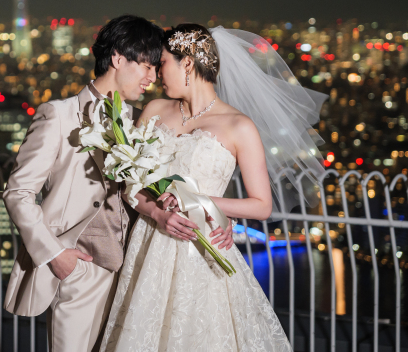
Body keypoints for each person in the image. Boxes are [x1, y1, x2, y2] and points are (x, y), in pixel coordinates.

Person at [101, 24, 326, 352]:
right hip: (148, 246)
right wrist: (155, 213)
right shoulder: (153, 111)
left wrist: (202, 201)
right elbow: (130, 183)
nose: (157, 73)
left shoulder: (239, 126)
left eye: (162, 63)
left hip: (201, 247)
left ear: (187, 64)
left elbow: (261, 205)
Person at [4, 15, 178, 352]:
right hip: (80, 270)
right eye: (146, 66)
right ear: (117, 58)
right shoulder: (59, 115)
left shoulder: (142, 120)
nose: (152, 77)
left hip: (134, 273)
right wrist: (56, 255)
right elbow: (18, 192)